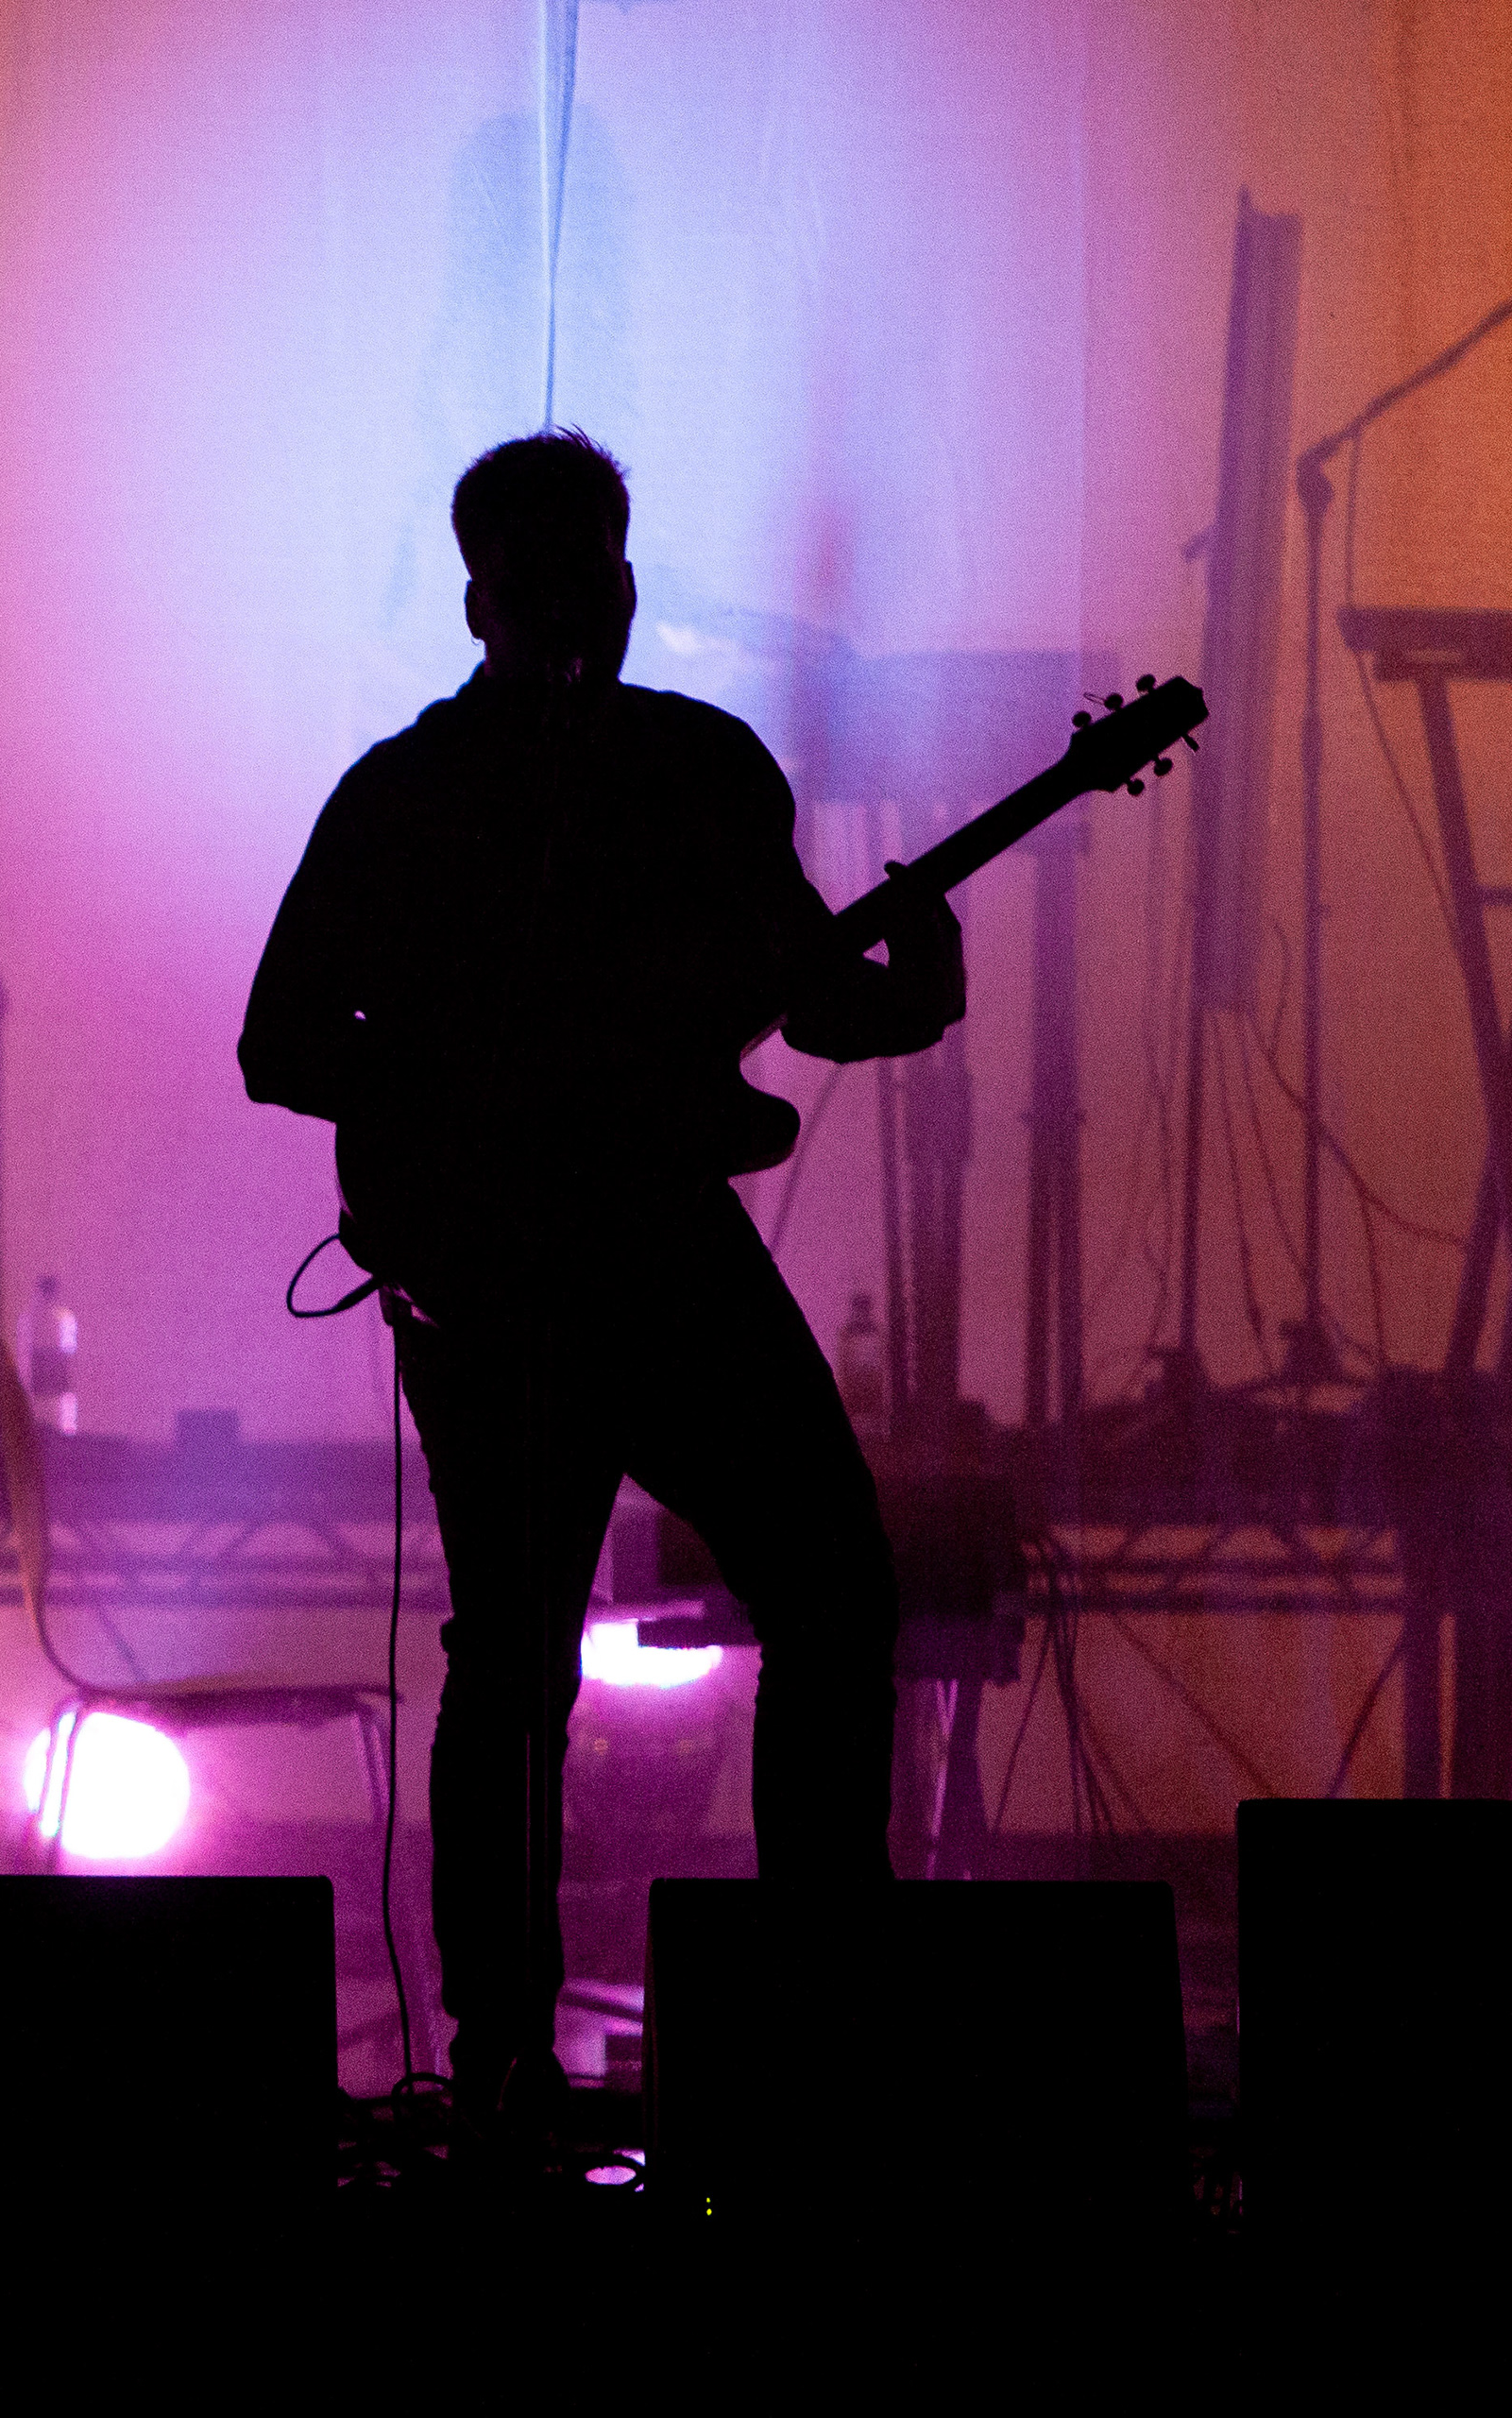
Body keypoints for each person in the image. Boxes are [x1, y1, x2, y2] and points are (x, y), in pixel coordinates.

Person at [237, 431, 965, 2134]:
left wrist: (911, 985)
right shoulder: (479, 788)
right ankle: (584, 2037)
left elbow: (807, 997)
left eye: (607, 572)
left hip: (557, 1261)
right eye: (568, 577)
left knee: (577, 1648)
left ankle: (587, 2038)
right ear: (494, 595)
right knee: (572, 1650)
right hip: (573, 1261)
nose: (595, 606)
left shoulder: (608, 778)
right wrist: (481, 1086)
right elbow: (279, 1046)